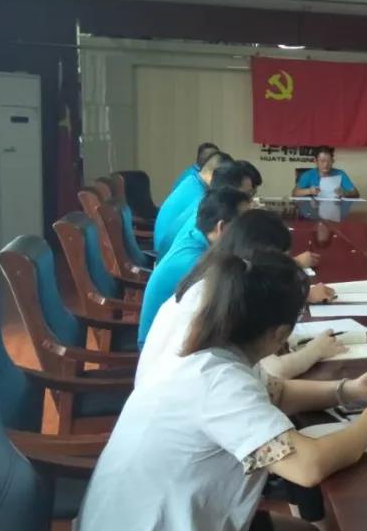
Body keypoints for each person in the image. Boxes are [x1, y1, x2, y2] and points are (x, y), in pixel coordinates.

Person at [72, 249, 367, 531]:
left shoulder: (210, 354)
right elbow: (308, 466)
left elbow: (276, 392)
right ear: (279, 333)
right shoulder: (219, 384)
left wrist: (346, 390)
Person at [138, 208, 341, 383]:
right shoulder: (225, 298)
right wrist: (316, 350)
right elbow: (274, 372)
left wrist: (343, 390)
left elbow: (272, 387)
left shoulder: (214, 279)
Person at [137, 187, 250, 348]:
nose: (250, 231)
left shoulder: (197, 238)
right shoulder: (195, 262)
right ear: (222, 228)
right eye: (245, 225)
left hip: (172, 338)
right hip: (160, 348)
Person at [156, 159, 254, 257]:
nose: (251, 200)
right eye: (248, 194)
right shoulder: (204, 214)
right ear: (229, 192)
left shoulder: (206, 209)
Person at [293, 146, 359, 199]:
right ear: (315, 161)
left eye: (329, 161)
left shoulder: (340, 173)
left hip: (335, 208)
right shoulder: (308, 174)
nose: (325, 165)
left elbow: (356, 193)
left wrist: (344, 193)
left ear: (333, 161)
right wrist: (309, 191)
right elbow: (295, 193)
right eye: (322, 161)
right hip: (314, 209)